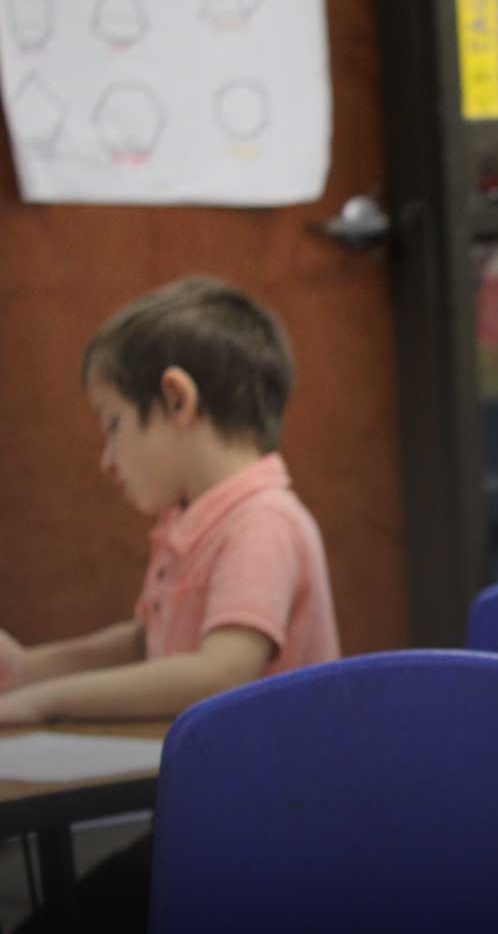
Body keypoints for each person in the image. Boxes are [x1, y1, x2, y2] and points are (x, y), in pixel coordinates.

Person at [0, 277, 341, 932]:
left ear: (176, 399)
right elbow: (145, 639)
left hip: (267, 845)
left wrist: (47, 702)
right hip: (211, 821)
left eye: (114, 425)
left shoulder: (262, 521)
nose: (106, 459)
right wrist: (29, 666)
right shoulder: (199, 524)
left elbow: (219, 670)